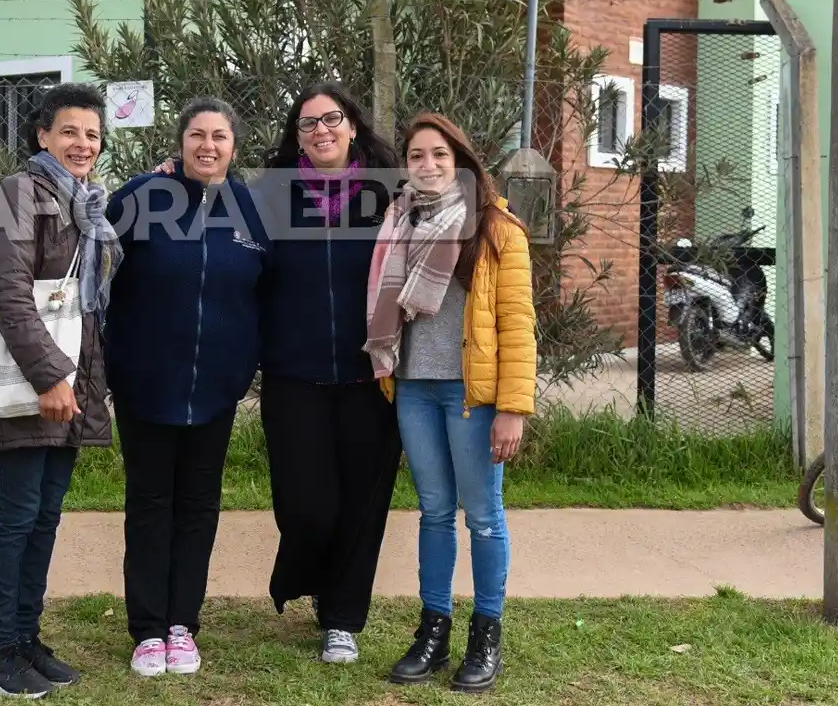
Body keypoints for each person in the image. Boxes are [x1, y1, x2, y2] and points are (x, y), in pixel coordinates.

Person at [363, 113, 535, 694]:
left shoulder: (497, 230)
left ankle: (487, 635)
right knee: (434, 512)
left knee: (483, 516)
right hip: (413, 387)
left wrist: (513, 406)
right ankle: (432, 632)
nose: (428, 165)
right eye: (416, 156)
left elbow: (517, 325)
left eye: (439, 155)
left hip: (473, 396)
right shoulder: (399, 219)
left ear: (461, 161)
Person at [103, 97, 269, 678]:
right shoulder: (144, 198)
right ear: (181, 143)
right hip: (146, 382)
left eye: (219, 136)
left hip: (217, 388)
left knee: (198, 505)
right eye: (197, 135)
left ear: (234, 146)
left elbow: (265, 289)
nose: (208, 146)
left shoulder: (251, 208)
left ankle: (182, 624)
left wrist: (248, 362)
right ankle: (148, 629)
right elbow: (98, 263)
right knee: (150, 503)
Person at [0, 82, 124, 699]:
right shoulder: (17, 193)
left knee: (45, 515)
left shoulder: (86, 202)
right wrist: (51, 378)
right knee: (17, 516)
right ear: (42, 136)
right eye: (69, 131)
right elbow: (9, 295)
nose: (82, 143)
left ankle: (23, 638)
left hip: (71, 379)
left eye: (91, 134)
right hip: (38, 380)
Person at [249, 81, 403, 664]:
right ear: (297, 138)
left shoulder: (391, 194)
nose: (321, 131)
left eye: (331, 119)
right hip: (294, 375)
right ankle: (303, 575)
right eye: (308, 124)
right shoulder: (271, 196)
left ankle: (342, 618)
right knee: (307, 505)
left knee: (364, 501)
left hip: (373, 377)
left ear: (353, 125)